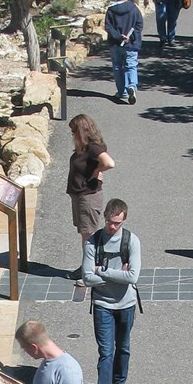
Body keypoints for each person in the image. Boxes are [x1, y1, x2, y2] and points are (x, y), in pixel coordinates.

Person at [82, 198, 141, 384]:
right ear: (105, 217)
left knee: (123, 346)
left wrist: (102, 271)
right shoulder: (93, 242)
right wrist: (119, 275)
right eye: (109, 222)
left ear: (124, 219)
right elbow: (86, 278)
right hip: (102, 305)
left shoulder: (131, 241)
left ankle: (120, 382)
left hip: (126, 304)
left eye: (117, 223)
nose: (112, 227)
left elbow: (133, 276)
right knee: (106, 352)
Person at [65, 114, 115, 282]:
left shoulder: (93, 148)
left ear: (82, 131)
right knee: (85, 234)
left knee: (88, 235)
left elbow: (109, 163)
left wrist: (96, 172)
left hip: (88, 197)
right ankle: (88, 266)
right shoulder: (84, 148)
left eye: (74, 131)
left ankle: (89, 270)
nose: (72, 135)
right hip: (80, 196)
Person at [104, 0, 144, 104]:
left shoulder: (111, 10)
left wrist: (118, 36)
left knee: (117, 67)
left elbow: (108, 27)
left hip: (115, 44)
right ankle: (132, 85)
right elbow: (139, 25)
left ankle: (122, 91)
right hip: (131, 44)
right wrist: (130, 37)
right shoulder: (134, 9)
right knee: (130, 65)